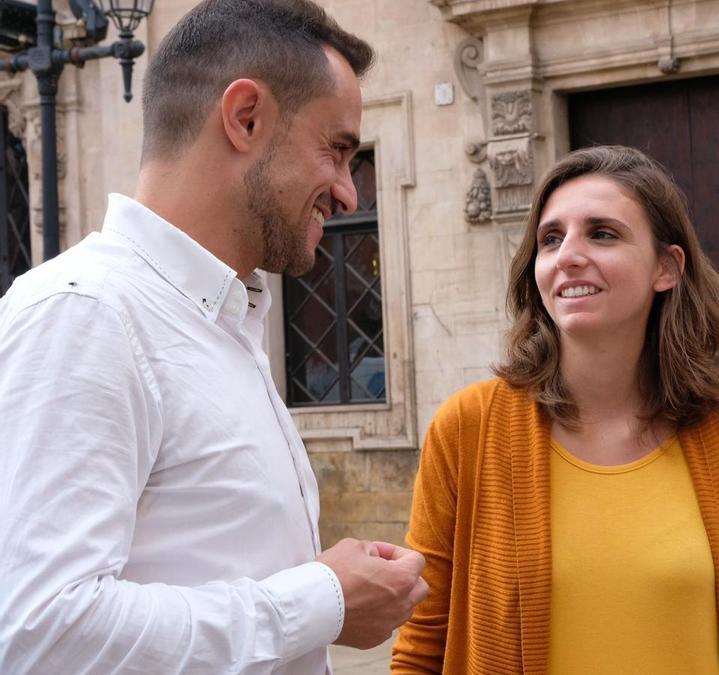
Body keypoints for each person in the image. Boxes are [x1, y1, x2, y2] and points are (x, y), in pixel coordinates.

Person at [0, 1, 427, 672]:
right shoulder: (86, 313)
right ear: (245, 118)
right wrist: (320, 599)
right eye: (337, 151)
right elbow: (40, 634)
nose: (348, 193)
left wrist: (320, 594)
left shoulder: (220, 318)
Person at [390, 145, 719, 674]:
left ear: (667, 267)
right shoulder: (469, 429)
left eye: (602, 233)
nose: (568, 254)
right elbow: (422, 642)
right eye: (551, 238)